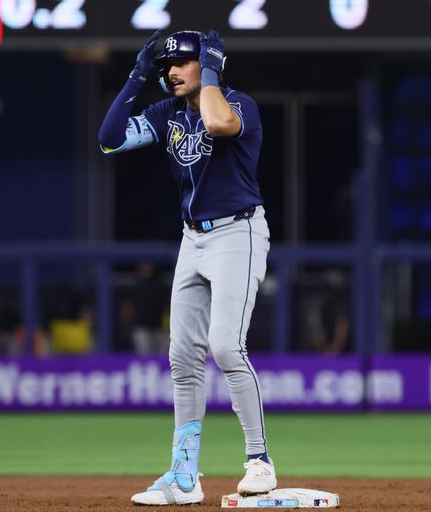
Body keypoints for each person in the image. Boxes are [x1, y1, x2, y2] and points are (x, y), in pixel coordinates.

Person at [99, 29, 275, 506]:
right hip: (192, 237)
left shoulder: (240, 104)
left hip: (238, 232)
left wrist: (214, 71)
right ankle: (183, 475)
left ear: (208, 64)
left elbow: (217, 123)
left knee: (225, 346)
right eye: (166, 66)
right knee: (182, 357)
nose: (171, 71)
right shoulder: (167, 112)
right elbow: (109, 140)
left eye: (182, 63)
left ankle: (259, 462)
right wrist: (137, 76)